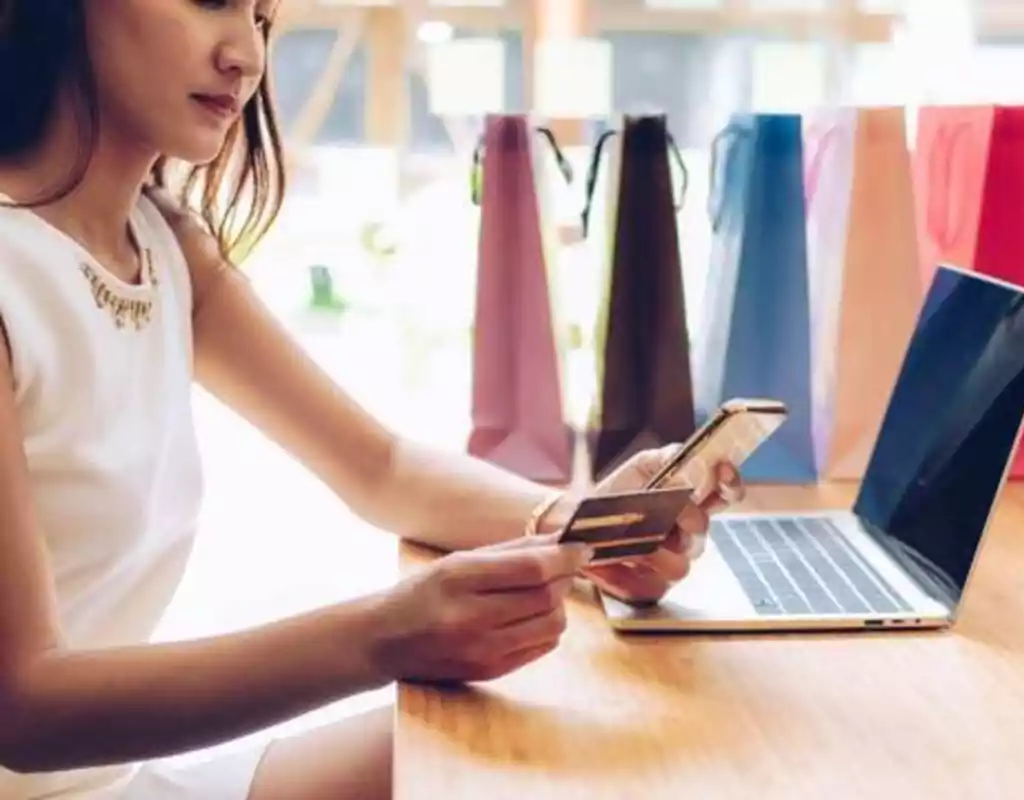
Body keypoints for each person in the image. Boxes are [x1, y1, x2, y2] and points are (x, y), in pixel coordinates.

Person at [0, 2, 745, 799]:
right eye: (212, 1)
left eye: (260, 18)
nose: (246, 57)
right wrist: (386, 635)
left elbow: (381, 468)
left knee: (529, 749)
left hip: (116, 781)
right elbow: (25, 708)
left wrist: (580, 526)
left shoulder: (163, 244)